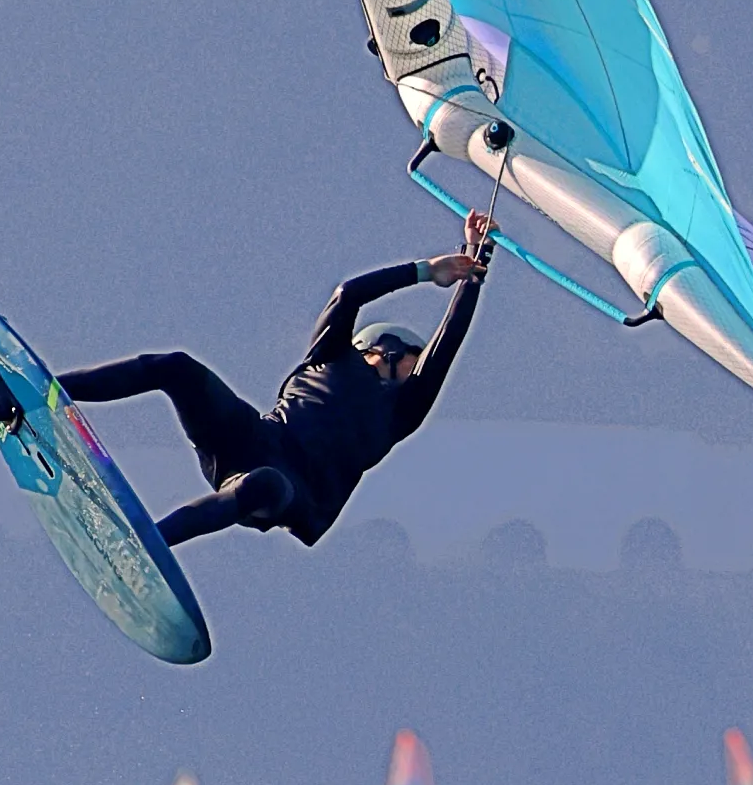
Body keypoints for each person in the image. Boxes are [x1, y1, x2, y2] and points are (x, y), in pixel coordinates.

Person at [58, 211, 493, 548]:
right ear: (386, 348)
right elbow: (349, 293)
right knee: (175, 366)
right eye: (410, 360)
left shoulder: (402, 412)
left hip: (297, 491)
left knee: (261, 484)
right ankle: (45, 389)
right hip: (253, 438)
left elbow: (447, 344)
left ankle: (149, 544)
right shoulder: (331, 354)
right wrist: (426, 270)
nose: (415, 371)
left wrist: (476, 268)